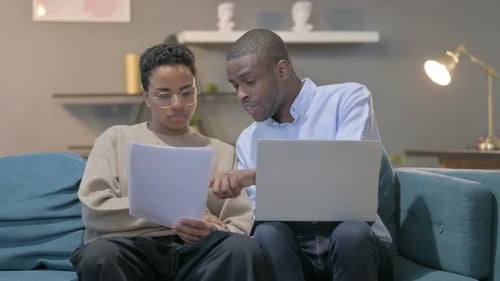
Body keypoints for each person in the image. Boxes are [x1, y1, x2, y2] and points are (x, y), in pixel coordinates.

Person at [70, 42, 274, 281]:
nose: (177, 104)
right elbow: (95, 210)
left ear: (196, 91)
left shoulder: (221, 152)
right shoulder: (115, 139)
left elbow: (238, 224)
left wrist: (212, 229)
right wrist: (173, 213)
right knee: (99, 255)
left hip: (198, 252)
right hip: (130, 248)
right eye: (164, 95)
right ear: (147, 97)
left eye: (187, 92)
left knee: (242, 250)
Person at [211, 29, 394, 281]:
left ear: (282, 70)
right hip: (292, 251)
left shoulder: (347, 98)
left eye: (249, 82)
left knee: (350, 231)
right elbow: (258, 213)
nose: (240, 94)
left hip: (357, 245)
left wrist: (253, 176)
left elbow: (346, 169)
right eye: (235, 86)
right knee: (266, 232)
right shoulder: (249, 138)